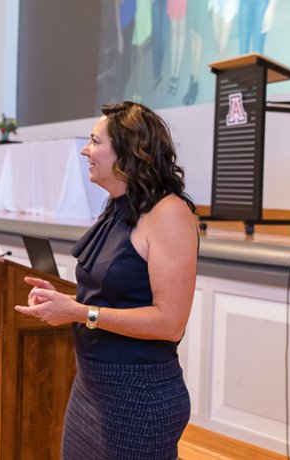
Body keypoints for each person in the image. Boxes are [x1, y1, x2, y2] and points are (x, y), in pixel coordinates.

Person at [16, 101, 197, 459]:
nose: (86, 149)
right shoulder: (118, 205)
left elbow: (171, 323)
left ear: (129, 151)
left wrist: (82, 313)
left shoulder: (169, 213)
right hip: (92, 386)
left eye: (95, 141)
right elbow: (112, 294)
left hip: (139, 394)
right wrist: (65, 302)